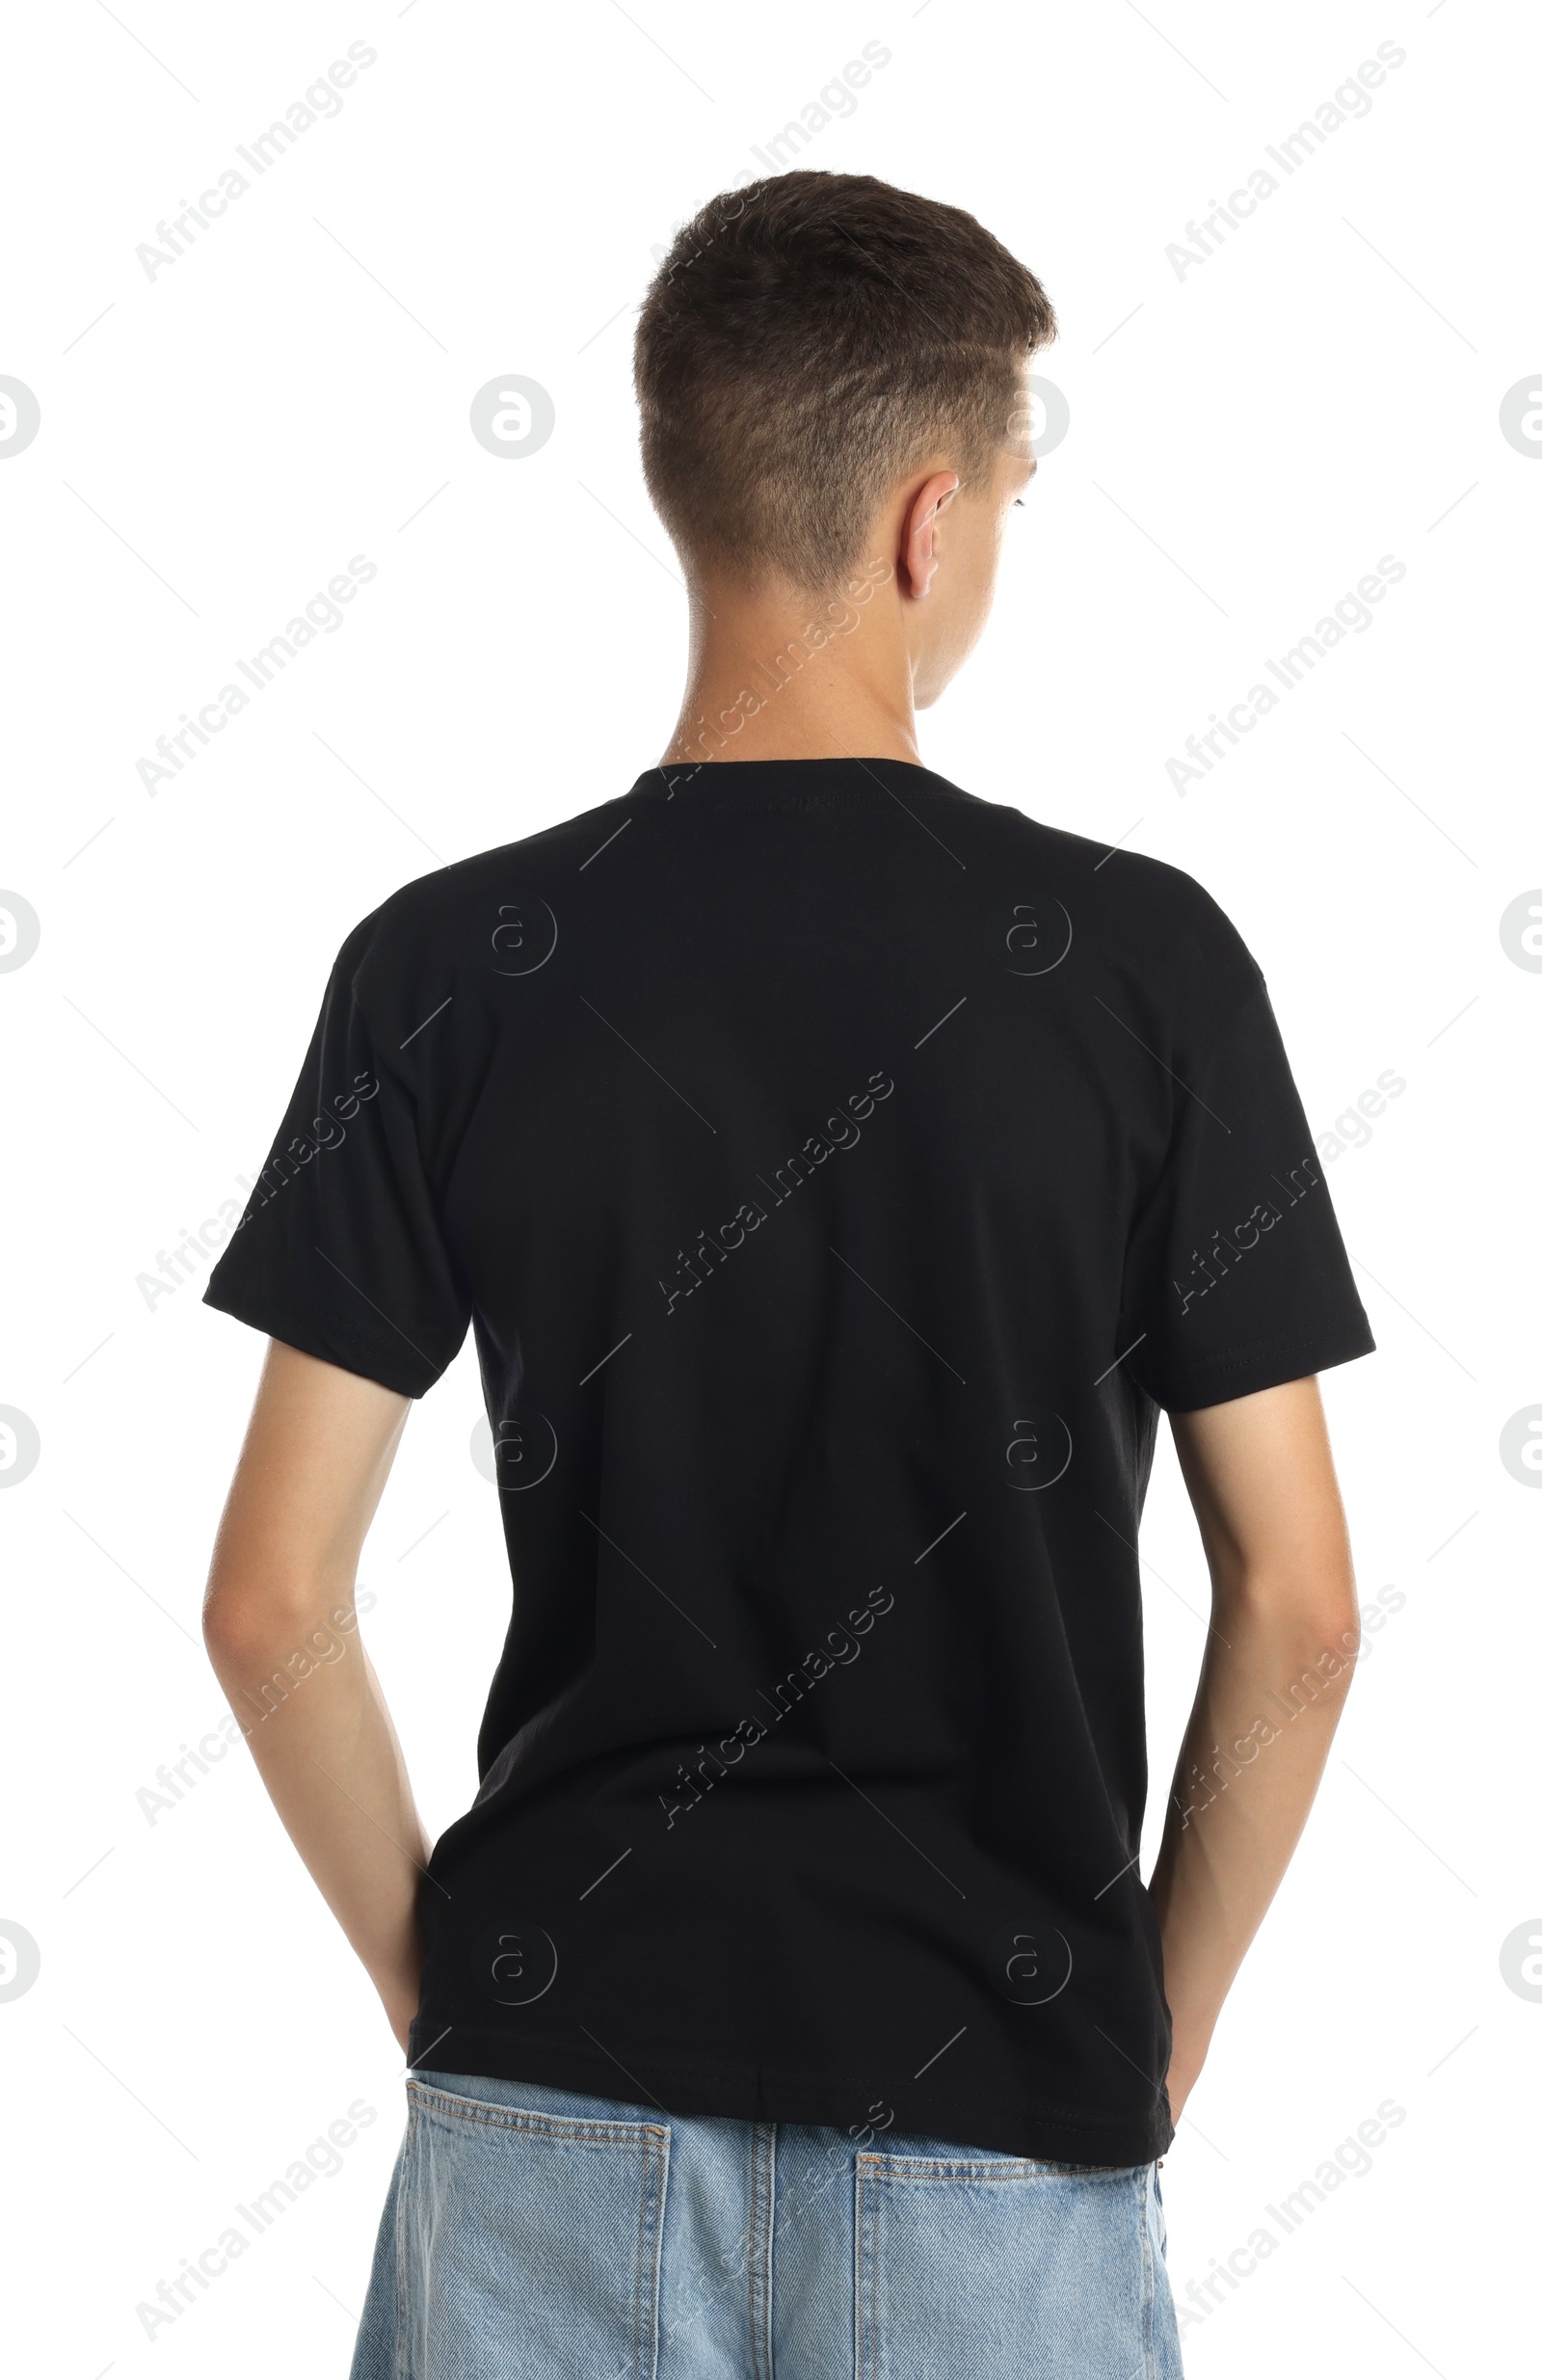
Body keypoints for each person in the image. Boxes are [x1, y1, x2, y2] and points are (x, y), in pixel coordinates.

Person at [201, 171, 1374, 2379]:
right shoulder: (1142, 970)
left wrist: (460, 1993)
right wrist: (1140, 2029)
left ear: (682, 483)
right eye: (1010, 492)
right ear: (929, 517)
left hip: (545, 2122)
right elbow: (1296, 1606)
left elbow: (269, 1597)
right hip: (996, 2130)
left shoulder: (446, 965)